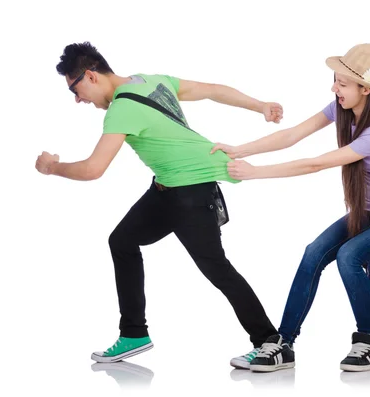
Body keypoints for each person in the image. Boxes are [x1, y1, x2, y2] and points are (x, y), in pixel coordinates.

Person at [35, 42, 282, 366]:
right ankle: (134, 333)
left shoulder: (121, 108)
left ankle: (271, 343)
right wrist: (260, 105)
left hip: (191, 192)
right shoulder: (148, 80)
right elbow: (210, 90)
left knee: (217, 269)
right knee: (122, 240)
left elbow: (93, 169)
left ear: (91, 76)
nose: (79, 100)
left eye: (75, 90)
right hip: (166, 190)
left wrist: (52, 168)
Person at [211, 43, 370, 372]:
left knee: (349, 255)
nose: (334, 88)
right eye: (335, 80)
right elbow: (292, 135)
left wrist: (256, 174)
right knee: (314, 253)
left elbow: (315, 164)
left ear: (365, 89)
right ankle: (282, 344)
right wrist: (240, 150)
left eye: (342, 83)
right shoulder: (342, 108)